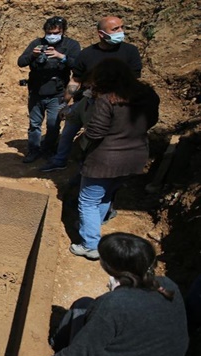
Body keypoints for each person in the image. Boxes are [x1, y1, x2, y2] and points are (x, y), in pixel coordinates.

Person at [25, 232, 188, 356]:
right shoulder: (167, 285)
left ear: (110, 268)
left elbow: (84, 348)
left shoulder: (114, 304)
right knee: (89, 308)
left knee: (82, 305)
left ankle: (56, 346)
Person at [67, 58, 158, 260]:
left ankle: (90, 245)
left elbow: (96, 131)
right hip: (135, 156)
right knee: (106, 195)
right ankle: (90, 227)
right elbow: (152, 120)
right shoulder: (148, 95)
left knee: (88, 201)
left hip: (105, 160)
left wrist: (82, 142)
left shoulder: (107, 99)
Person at [40, 16, 142, 172]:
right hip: (85, 101)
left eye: (121, 27)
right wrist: (65, 102)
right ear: (101, 33)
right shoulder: (87, 54)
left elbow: (133, 79)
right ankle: (60, 160)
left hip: (110, 104)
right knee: (68, 131)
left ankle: (86, 168)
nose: (121, 32)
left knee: (94, 137)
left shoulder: (130, 52)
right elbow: (76, 80)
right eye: (115, 29)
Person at [17, 16, 81, 163]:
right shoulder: (37, 43)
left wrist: (61, 57)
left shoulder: (71, 45)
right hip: (36, 92)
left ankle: (48, 150)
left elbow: (78, 66)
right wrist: (33, 55)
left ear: (63, 31)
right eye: (49, 32)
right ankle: (33, 150)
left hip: (58, 94)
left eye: (55, 33)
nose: (52, 36)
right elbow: (21, 62)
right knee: (34, 124)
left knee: (53, 124)